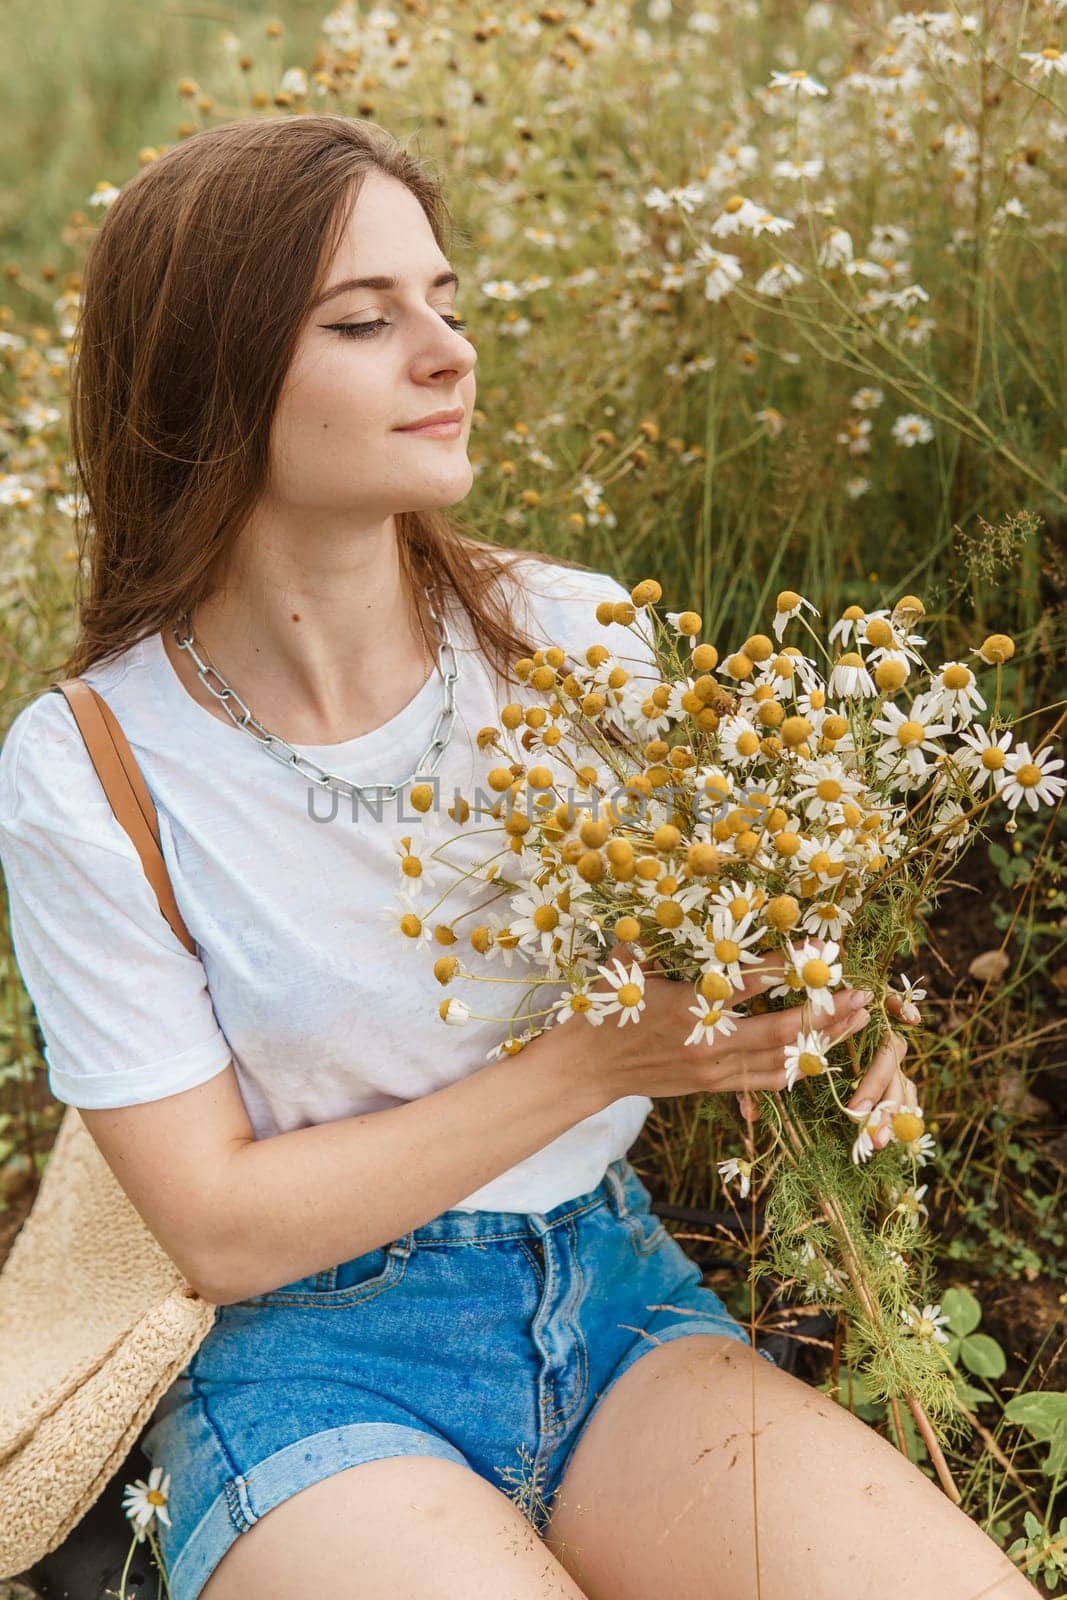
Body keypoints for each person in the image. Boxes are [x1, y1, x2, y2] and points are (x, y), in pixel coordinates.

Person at [0, 116, 1036, 1600]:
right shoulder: (93, 761)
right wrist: (600, 1063)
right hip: (307, 1356)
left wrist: (827, 1032)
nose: (445, 352)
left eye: (447, 304)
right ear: (210, 378)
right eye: (365, 320)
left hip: (605, 1296)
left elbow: (720, 935)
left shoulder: (571, 635)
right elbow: (218, 1228)